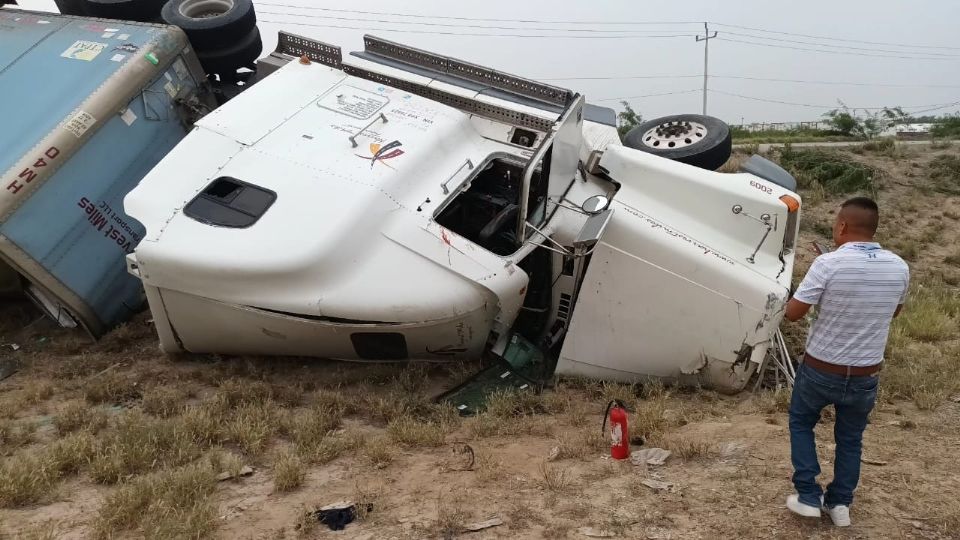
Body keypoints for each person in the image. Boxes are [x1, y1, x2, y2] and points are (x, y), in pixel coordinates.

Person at [782, 196, 909, 527]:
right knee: (850, 439)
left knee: (801, 422)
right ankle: (840, 505)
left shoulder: (827, 264)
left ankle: (808, 495)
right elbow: (893, 311)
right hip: (867, 374)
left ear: (841, 226)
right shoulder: (899, 266)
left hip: (821, 369)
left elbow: (793, 314)